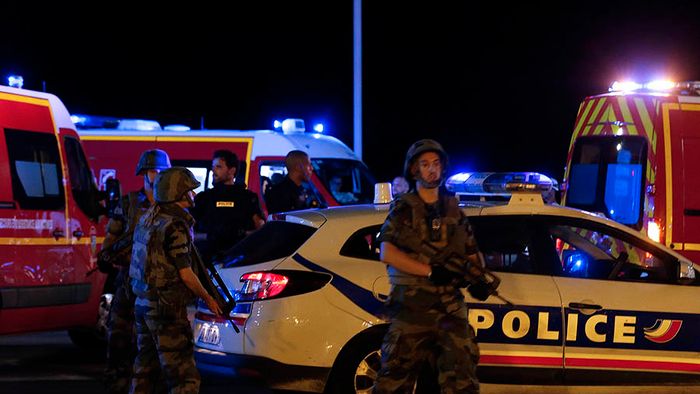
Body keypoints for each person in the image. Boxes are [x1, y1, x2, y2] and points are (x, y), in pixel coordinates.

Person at [373, 139, 481, 393]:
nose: (431, 169)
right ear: (415, 170)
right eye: (425, 164)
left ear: (443, 168)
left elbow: (472, 253)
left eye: (436, 164)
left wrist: (477, 278)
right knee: (393, 381)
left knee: (461, 379)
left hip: (449, 307)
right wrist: (431, 271)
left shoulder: (454, 210)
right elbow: (386, 252)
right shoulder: (403, 208)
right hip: (411, 307)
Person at [129, 167, 223, 394]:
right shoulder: (176, 225)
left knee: (145, 370)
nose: (193, 195)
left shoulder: (149, 217)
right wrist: (209, 299)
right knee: (183, 376)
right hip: (166, 308)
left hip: (143, 303)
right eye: (189, 190)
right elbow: (186, 274)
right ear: (177, 193)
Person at [100, 149, 171, 394]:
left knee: (158, 349)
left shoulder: (172, 208)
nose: (158, 175)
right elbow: (109, 245)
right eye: (153, 171)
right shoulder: (129, 204)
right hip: (129, 284)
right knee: (118, 342)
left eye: (162, 171)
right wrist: (124, 258)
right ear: (144, 173)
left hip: (158, 289)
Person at [192, 149, 265, 261]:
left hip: (238, 258)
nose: (213, 170)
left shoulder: (247, 198)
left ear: (231, 171)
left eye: (219, 167)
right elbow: (189, 230)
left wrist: (240, 234)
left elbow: (261, 230)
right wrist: (209, 236)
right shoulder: (204, 198)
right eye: (213, 166)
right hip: (208, 258)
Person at [264, 150, 321, 214]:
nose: (312, 168)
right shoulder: (278, 193)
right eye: (309, 165)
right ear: (298, 167)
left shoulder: (302, 189)